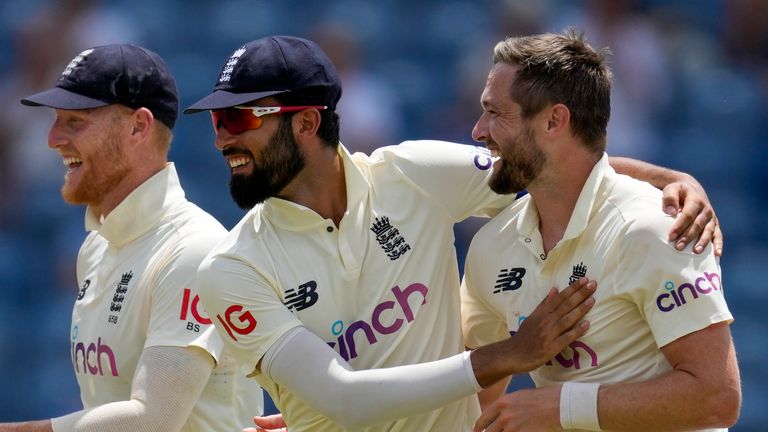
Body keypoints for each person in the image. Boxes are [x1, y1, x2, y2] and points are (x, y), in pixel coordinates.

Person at [184, 36, 721, 432]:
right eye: (216, 122)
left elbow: (549, 162)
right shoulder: (231, 269)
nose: (221, 139)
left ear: (306, 123)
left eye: (240, 119)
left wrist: (669, 179)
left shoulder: (414, 174)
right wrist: (509, 354)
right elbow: (342, 399)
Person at [461, 29, 740, 431]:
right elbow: (473, 403)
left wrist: (560, 408)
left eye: (495, 113)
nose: (478, 131)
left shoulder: (654, 229)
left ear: (554, 120)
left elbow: (716, 398)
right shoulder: (491, 245)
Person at [6, 43, 262, 432]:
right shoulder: (96, 247)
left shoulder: (193, 249)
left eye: (75, 121)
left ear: (138, 127)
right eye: (56, 120)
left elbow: (153, 419)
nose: (53, 138)